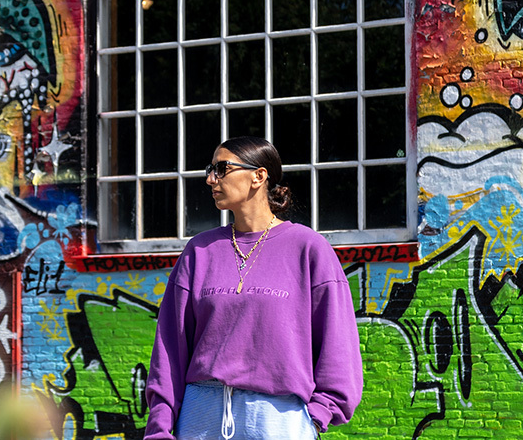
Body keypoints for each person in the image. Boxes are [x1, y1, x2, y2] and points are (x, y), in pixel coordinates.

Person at [144, 136, 362, 439]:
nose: (211, 179)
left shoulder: (308, 249)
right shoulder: (200, 251)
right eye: (210, 170)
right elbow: (170, 346)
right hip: (200, 416)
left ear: (258, 176)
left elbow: (338, 343)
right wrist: (160, 427)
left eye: (222, 169)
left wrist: (316, 417)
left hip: (279, 418)